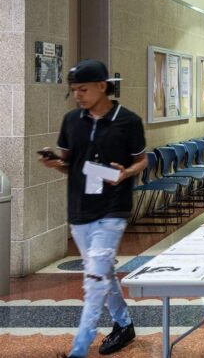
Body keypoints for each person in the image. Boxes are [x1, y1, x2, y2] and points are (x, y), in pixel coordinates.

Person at [40, 60, 147, 358]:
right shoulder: (72, 120)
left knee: (94, 280)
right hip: (79, 208)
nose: (78, 95)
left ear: (103, 86)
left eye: (83, 89)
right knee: (100, 271)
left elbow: (142, 160)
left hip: (113, 208)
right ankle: (124, 324)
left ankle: (78, 350)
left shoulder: (128, 120)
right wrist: (55, 163)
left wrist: (126, 173)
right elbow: (71, 163)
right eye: (74, 90)